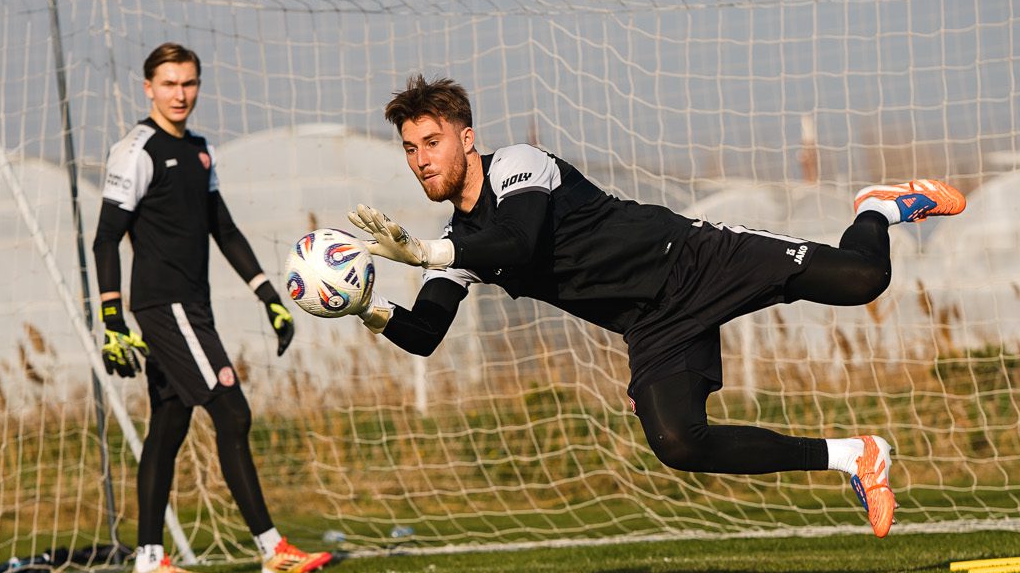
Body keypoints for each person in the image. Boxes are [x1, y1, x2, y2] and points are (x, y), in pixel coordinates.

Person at [344, 75, 966, 536]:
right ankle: (855, 456)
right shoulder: (459, 245)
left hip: (695, 258)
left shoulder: (517, 167)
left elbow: (521, 238)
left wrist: (427, 252)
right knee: (678, 441)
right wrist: (367, 306)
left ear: (466, 137)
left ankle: (876, 209)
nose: (422, 160)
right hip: (654, 323)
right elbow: (425, 333)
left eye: (432, 141)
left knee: (862, 280)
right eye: (410, 149)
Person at [91, 44, 331, 573]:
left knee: (168, 427)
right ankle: (272, 549)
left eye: (190, 83)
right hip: (164, 307)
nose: (181, 94)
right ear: (148, 87)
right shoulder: (135, 150)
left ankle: (149, 563)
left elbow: (223, 230)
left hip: (192, 307)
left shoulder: (201, 151)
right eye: (170, 83)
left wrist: (268, 294)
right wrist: (111, 319)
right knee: (232, 411)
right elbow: (106, 239)